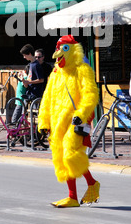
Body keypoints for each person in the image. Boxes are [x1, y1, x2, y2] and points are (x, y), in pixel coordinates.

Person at [38, 35, 100, 208]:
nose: (59, 53)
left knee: (69, 153)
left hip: (75, 121)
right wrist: (44, 122)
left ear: (72, 50)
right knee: (61, 157)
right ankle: (76, 194)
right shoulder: (56, 73)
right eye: (58, 49)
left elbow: (90, 94)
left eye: (64, 49)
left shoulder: (82, 69)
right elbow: (47, 98)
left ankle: (88, 185)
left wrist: (81, 113)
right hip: (58, 122)